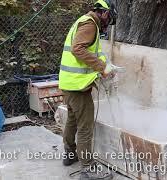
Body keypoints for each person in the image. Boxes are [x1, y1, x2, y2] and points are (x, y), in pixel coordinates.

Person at [58, 0, 117, 179]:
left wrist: (108, 65)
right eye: (110, 20)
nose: (108, 24)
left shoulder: (84, 21)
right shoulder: (90, 24)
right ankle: (88, 168)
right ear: (105, 13)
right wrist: (101, 67)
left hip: (69, 83)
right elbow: (78, 49)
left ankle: (69, 154)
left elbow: (93, 51)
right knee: (85, 127)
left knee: (73, 120)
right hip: (78, 86)